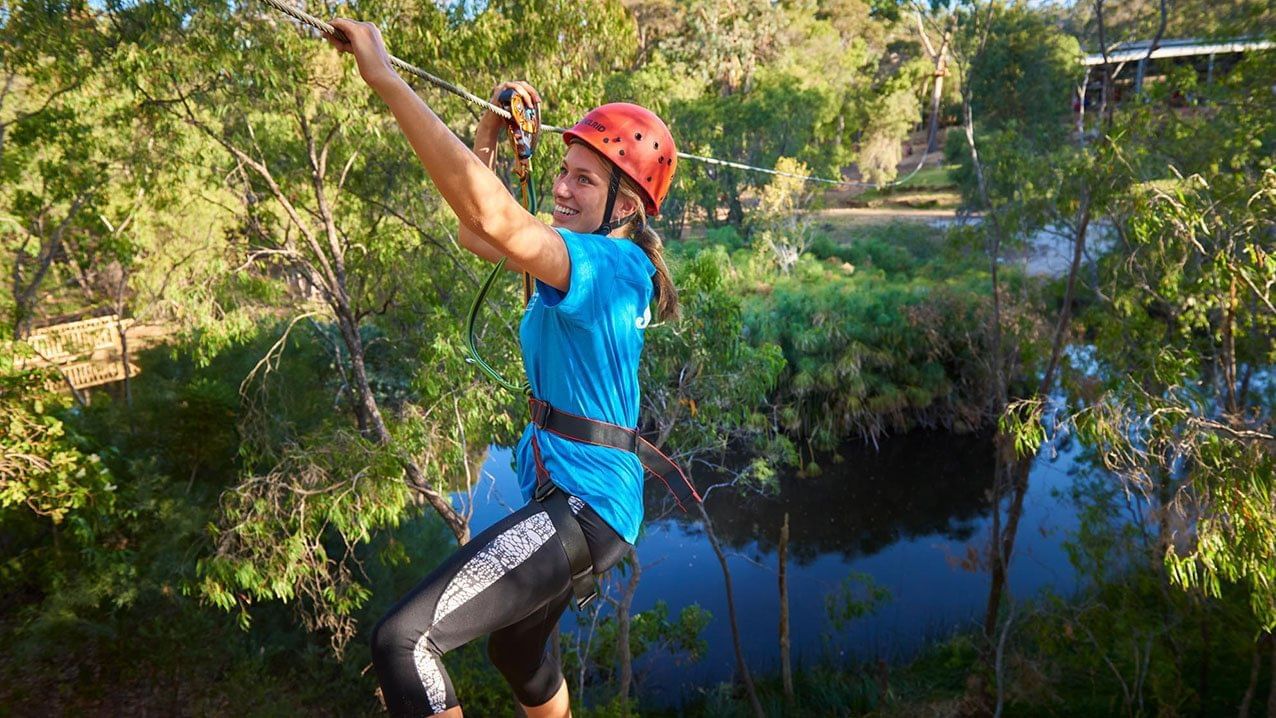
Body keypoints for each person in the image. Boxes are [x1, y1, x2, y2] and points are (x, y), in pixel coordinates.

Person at [325, 19, 681, 718]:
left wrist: (387, 81)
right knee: (515, 654)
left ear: (627, 206)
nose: (563, 188)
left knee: (403, 642)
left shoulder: (614, 265)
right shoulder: (583, 257)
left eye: (585, 179)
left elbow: (495, 225)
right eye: (564, 170)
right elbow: (475, 228)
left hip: (584, 508)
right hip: (582, 505)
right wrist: (486, 136)